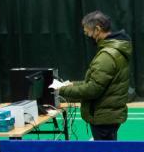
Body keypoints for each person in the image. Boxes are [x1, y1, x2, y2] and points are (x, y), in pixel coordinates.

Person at [50, 11, 133, 140]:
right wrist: (73, 84)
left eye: (87, 32)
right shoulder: (114, 50)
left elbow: (93, 89)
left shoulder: (107, 56)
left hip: (104, 117)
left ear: (97, 29)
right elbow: (98, 82)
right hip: (109, 115)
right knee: (108, 148)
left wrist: (62, 90)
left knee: (104, 151)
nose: (87, 36)